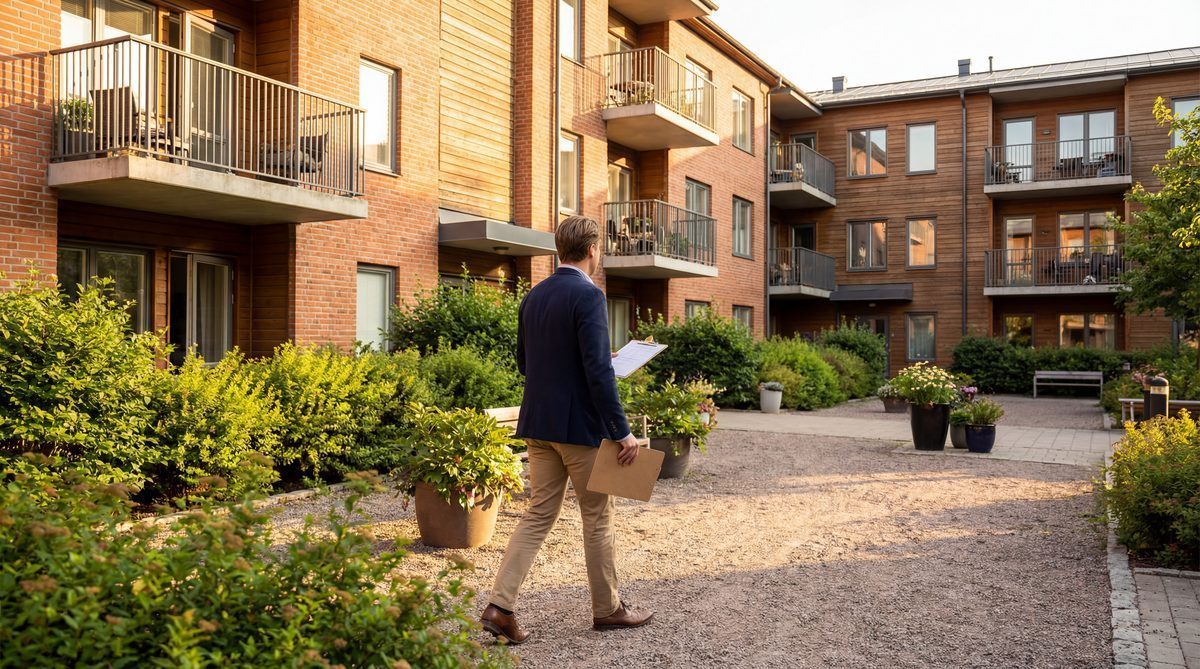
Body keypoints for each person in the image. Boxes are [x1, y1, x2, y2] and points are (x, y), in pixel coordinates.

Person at [480, 215, 654, 644]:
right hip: (580, 430)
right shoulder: (589, 296)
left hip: (539, 424)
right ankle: (608, 609)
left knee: (538, 514)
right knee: (597, 516)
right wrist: (623, 431)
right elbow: (597, 373)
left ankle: (500, 606)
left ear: (560, 249)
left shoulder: (533, 296)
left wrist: (592, 360)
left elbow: (527, 363)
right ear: (593, 250)